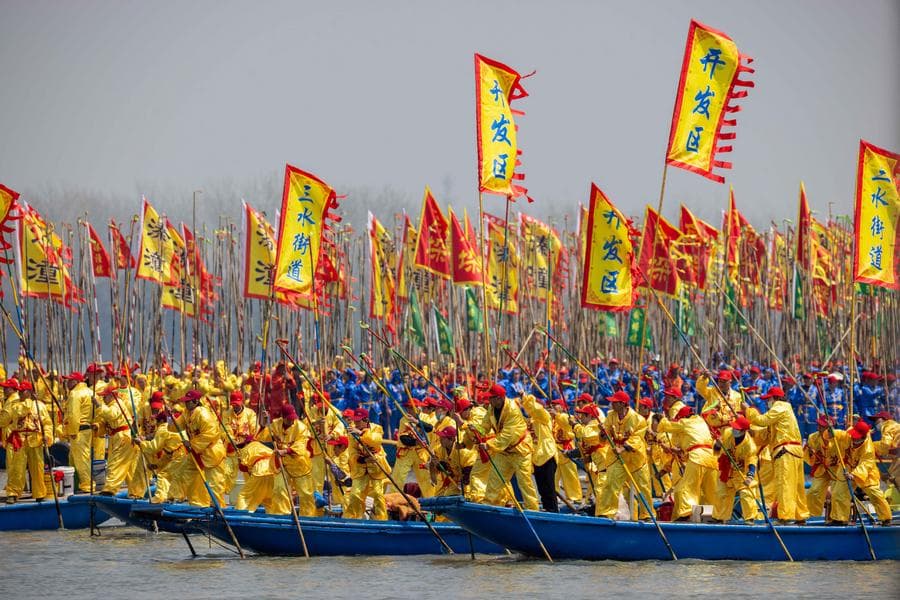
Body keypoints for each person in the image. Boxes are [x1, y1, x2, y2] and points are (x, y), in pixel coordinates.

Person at [744, 386, 809, 523]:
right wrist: (751, 432)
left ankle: (785, 517)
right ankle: (800, 516)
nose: (768, 403)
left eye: (769, 399)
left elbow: (762, 420)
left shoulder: (781, 406)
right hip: (794, 451)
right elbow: (765, 436)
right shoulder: (782, 414)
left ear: (775, 398)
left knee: (784, 485)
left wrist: (748, 411)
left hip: (785, 451)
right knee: (797, 486)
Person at [475, 383, 540, 510]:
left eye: (491, 398)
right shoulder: (491, 408)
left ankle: (532, 509)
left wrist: (488, 445)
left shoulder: (512, 410)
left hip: (520, 450)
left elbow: (507, 436)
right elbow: (485, 425)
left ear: (499, 398)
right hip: (505, 451)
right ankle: (489, 506)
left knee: (524, 482)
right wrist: (476, 431)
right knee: (495, 479)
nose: (488, 400)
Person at [596, 391, 652, 520]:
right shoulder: (611, 415)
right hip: (616, 455)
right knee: (610, 483)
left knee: (643, 487)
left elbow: (637, 439)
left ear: (622, 404)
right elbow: (605, 435)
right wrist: (603, 433)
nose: (611, 404)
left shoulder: (638, 419)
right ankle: (606, 512)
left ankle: (646, 514)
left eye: (614, 402)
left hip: (635, 457)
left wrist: (623, 448)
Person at [654, 405, 717, 521]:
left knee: (686, 488)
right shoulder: (702, 423)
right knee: (709, 491)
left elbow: (666, 426)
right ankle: (712, 517)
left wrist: (662, 419)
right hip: (711, 459)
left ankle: (685, 515)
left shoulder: (685, 422)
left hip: (697, 457)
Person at [830, 420, 892, 526]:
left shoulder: (868, 449)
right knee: (839, 493)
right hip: (848, 466)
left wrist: (853, 475)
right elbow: (840, 434)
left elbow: (865, 465)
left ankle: (886, 518)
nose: (853, 438)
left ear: (863, 437)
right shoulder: (850, 433)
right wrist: (830, 429)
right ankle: (839, 519)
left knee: (875, 494)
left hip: (866, 472)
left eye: (856, 437)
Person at [1, 381, 52, 503]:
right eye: (18, 390)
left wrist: (47, 435)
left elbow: (47, 423)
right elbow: (15, 415)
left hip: (35, 439)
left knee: (38, 468)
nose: (19, 392)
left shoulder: (40, 406)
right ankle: (13, 493)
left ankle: (40, 493)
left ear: (28, 392)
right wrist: (28, 402)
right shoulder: (14, 405)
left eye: (22, 390)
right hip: (19, 439)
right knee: (17, 468)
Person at [263, 404, 316, 516]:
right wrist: (264, 423)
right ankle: (282, 515)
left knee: (306, 493)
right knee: (279, 489)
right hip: (281, 464)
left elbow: (301, 445)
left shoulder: (301, 428)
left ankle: (307, 517)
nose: (292, 420)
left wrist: (285, 451)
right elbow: (263, 436)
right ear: (283, 417)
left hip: (299, 464)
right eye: (289, 418)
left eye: (293, 418)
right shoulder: (275, 425)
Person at [181, 390, 228, 507]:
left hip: (212, 452)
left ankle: (218, 508)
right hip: (197, 451)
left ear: (196, 401)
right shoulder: (187, 413)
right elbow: (175, 427)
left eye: (188, 402)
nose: (185, 404)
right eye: (185, 402)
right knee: (187, 474)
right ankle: (196, 503)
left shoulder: (204, 415)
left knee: (215, 483)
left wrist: (191, 444)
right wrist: (169, 418)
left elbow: (210, 434)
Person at [345, 407, 391, 520]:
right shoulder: (352, 433)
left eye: (358, 421)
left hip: (376, 466)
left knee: (378, 494)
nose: (355, 423)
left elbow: (376, 441)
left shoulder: (377, 428)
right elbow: (352, 452)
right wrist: (362, 460)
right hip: (361, 467)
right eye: (354, 421)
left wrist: (361, 433)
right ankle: (353, 518)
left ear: (366, 420)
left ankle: (382, 519)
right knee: (355, 494)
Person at [712, 416, 760, 523]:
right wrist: (718, 445)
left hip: (741, 472)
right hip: (727, 469)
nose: (734, 430)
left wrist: (750, 477)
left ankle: (750, 518)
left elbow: (752, 462)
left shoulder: (750, 446)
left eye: (737, 429)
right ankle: (719, 518)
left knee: (746, 492)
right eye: (734, 427)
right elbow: (717, 450)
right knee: (721, 492)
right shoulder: (727, 433)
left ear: (743, 431)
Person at [521, 393, 558, 512]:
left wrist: (525, 398)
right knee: (541, 487)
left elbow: (536, 409)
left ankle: (553, 511)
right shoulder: (530, 420)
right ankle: (547, 509)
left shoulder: (544, 416)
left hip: (547, 454)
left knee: (549, 487)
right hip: (536, 457)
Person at [62, 371, 96, 494]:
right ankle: (75, 484)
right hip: (87, 429)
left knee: (81, 459)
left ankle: (87, 485)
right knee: (75, 458)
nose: (67, 383)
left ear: (76, 381)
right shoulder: (90, 392)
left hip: (78, 430)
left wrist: (71, 431)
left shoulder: (75, 394)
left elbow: (74, 415)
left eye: (70, 381)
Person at [548, 398, 582, 504]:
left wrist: (556, 415)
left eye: (556, 405)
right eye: (552, 405)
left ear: (562, 407)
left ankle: (575, 497)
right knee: (553, 474)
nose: (553, 407)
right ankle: (554, 495)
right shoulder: (551, 419)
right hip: (554, 449)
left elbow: (565, 424)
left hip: (566, 448)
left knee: (570, 475)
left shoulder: (568, 417)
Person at [428, 425, 474, 497]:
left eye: (443, 438)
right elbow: (433, 462)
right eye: (440, 437)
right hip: (453, 479)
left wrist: (463, 483)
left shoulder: (463, 452)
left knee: (468, 496)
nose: (440, 439)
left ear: (452, 439)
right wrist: (437, 466)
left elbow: (470, 470)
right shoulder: (440, 449)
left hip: (466, 481)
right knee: (442, 495)